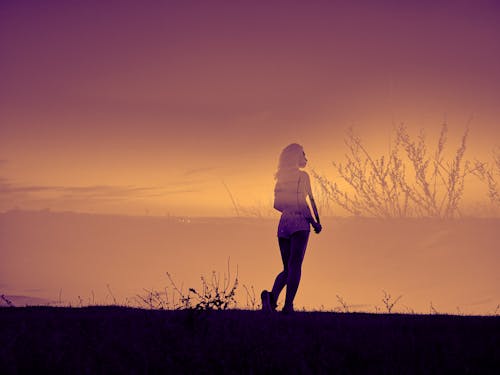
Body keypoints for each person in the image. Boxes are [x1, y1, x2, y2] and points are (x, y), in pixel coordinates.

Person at [261, 143, 322, 313]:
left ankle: (271, 297)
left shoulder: (280, 178)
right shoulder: (303, 176)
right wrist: (314, 221)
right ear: (296, 157)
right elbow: (305, 202)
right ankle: (288, 306)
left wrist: (289, 209)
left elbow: (277, 205)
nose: (306, 158)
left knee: (287, 268)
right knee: (295, 266)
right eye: (304, 155)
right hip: (299, 223)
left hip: (284, 223)